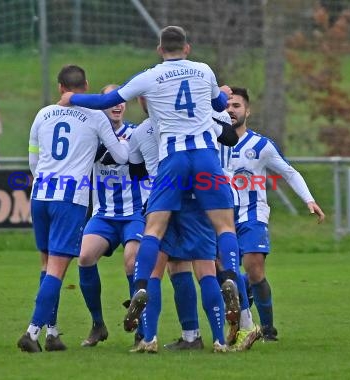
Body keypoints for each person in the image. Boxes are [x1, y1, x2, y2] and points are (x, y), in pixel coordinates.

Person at [59, 26, 242, 344]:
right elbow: (220, 106)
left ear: (160, 49)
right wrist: (223, 96)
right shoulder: (203, 70)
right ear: (187, 47)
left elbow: (108, 99)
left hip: (173, 161)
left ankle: (142, 285)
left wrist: (72, 97)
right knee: (224, 229)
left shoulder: (149, 79)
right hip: (205, 157)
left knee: (154, 232)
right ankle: (228, 278)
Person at [16, 65, 129, 353]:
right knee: (57, 269)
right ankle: (32, 331)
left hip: (41, 194)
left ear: (59, 87)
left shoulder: (42, 114)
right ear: (87, 85)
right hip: (70, 199)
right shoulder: (94, 116)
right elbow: (118, 155)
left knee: (46, 265)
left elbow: (33, 160)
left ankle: (52, 333)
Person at [128, 98, 240, 353]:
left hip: (163, 201)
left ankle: (150, 338)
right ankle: (217, 340)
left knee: (156, 272)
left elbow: (135, 173)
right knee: (205, 270)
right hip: (197, 200)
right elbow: (230, 137)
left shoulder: (142, 130)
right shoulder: (195, 124)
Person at [221, 87, 325, 342]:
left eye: (236, 106)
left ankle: (267, 329)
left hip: (253, 214)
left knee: (254, 269)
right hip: (220, 217)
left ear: (247, 110)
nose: (231, 110)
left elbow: (289, 172)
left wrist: (309, 200)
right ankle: (243, 314)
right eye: (227, 106)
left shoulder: (261, 145)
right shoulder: (210, 142)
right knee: (228, 275)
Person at [78, 84, 147, 348]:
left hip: (133, 215)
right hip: (104, 215)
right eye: (112, 101)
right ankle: (98, 324)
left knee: (132, 263)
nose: (117, 105)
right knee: (84, 257)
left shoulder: (136, 134)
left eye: (121, 102)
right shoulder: (93, 134)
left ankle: (141, 326)